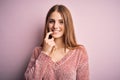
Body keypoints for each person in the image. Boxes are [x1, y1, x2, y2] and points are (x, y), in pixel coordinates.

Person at [24, 4, 89, 80]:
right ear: (47, 24)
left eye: (61, 22)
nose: (55, 26)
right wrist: (45, 53)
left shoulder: (79, 52)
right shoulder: (37, 51)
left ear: (68, 24)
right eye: (51, 21)